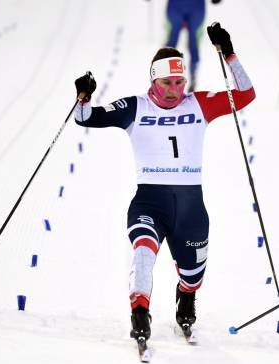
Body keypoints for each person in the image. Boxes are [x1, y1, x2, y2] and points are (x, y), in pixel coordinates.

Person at [73, 23, 255, 343]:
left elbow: (246, 94)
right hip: (149, 202)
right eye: (166, 83)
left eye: (179, 82)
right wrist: (83, 96)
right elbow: (86, 118)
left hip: (190, 208)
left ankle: (186, 294)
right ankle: (140, 311)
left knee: (193, 275)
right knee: (143, 251)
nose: (174, 90)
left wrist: (228, 53)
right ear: (153, 82)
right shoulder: (135, 107)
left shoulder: (198, 103)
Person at [165, 0, 223, 91]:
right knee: (172, 43)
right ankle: (165, 75)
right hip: (190, 7)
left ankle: (192, 78)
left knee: (190, 43)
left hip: (186, 7)